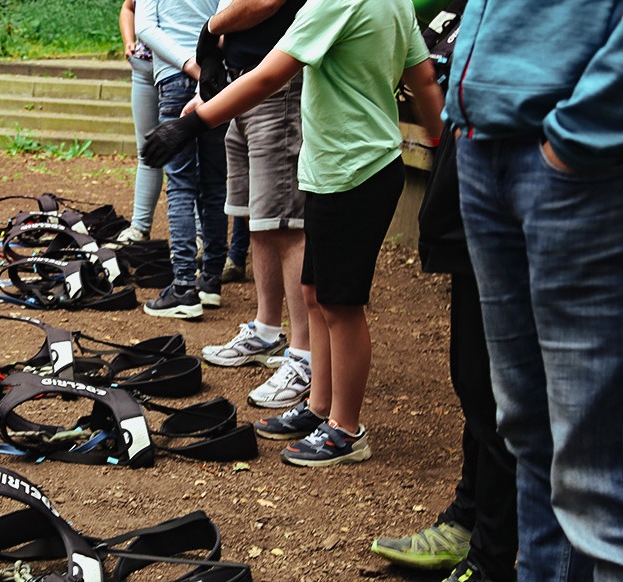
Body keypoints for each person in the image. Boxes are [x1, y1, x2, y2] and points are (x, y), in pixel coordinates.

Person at [382, 0, 623, 582]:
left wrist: (580, 134)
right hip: (488, 142)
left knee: (602, 460)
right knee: (527, 424)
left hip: (579, 158)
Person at [143, 0, 444, 467]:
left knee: (341, 305)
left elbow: (267, 76)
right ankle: (319, 406)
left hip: (355, 171)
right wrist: (441, 140)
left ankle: (346, 430)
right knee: (314, 292)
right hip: (335, 169)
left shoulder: (336, 2)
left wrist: (193, 122)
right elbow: (422, 77)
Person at [370, 0, 518, 582]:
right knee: (472, 380)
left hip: (523, 203)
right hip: (472, 206)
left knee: (508, 401)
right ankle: (469, 518)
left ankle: (496, 564)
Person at [196, 0, 316, 414]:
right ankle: (266, 331)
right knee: (259, 220)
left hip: (276, 87)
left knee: (286, 223)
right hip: (243, 84)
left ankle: (305, 357)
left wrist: (211, 28)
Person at [135, 0, 229, 319]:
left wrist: (190, 64)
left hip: (176, 78)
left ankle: (183, 287)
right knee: (215, 185)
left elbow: (145, 26)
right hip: (219, 80)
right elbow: (228, 17)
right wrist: (209, 66)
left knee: (180, 184)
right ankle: (211, 282)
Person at [116, 0, 163, 245]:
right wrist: (128, 41)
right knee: (147, 150)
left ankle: (199, 237)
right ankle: (139, 228)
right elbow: (128, 8)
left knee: (191, 157)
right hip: (144, 69)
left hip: (181, 70)